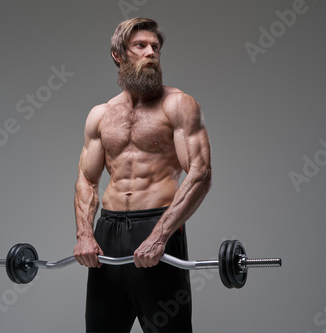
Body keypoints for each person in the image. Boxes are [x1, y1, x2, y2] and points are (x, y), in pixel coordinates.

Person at [73, 17, 212, 333]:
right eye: (141, 46)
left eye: (156, 47)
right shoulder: (101, 115)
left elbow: (200, 173)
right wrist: (84, 234)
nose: (151, 52)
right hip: (107, 232)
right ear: (118, 55)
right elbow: (87, 178)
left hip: (158, 225)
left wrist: (161, 235)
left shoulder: (178, 105)